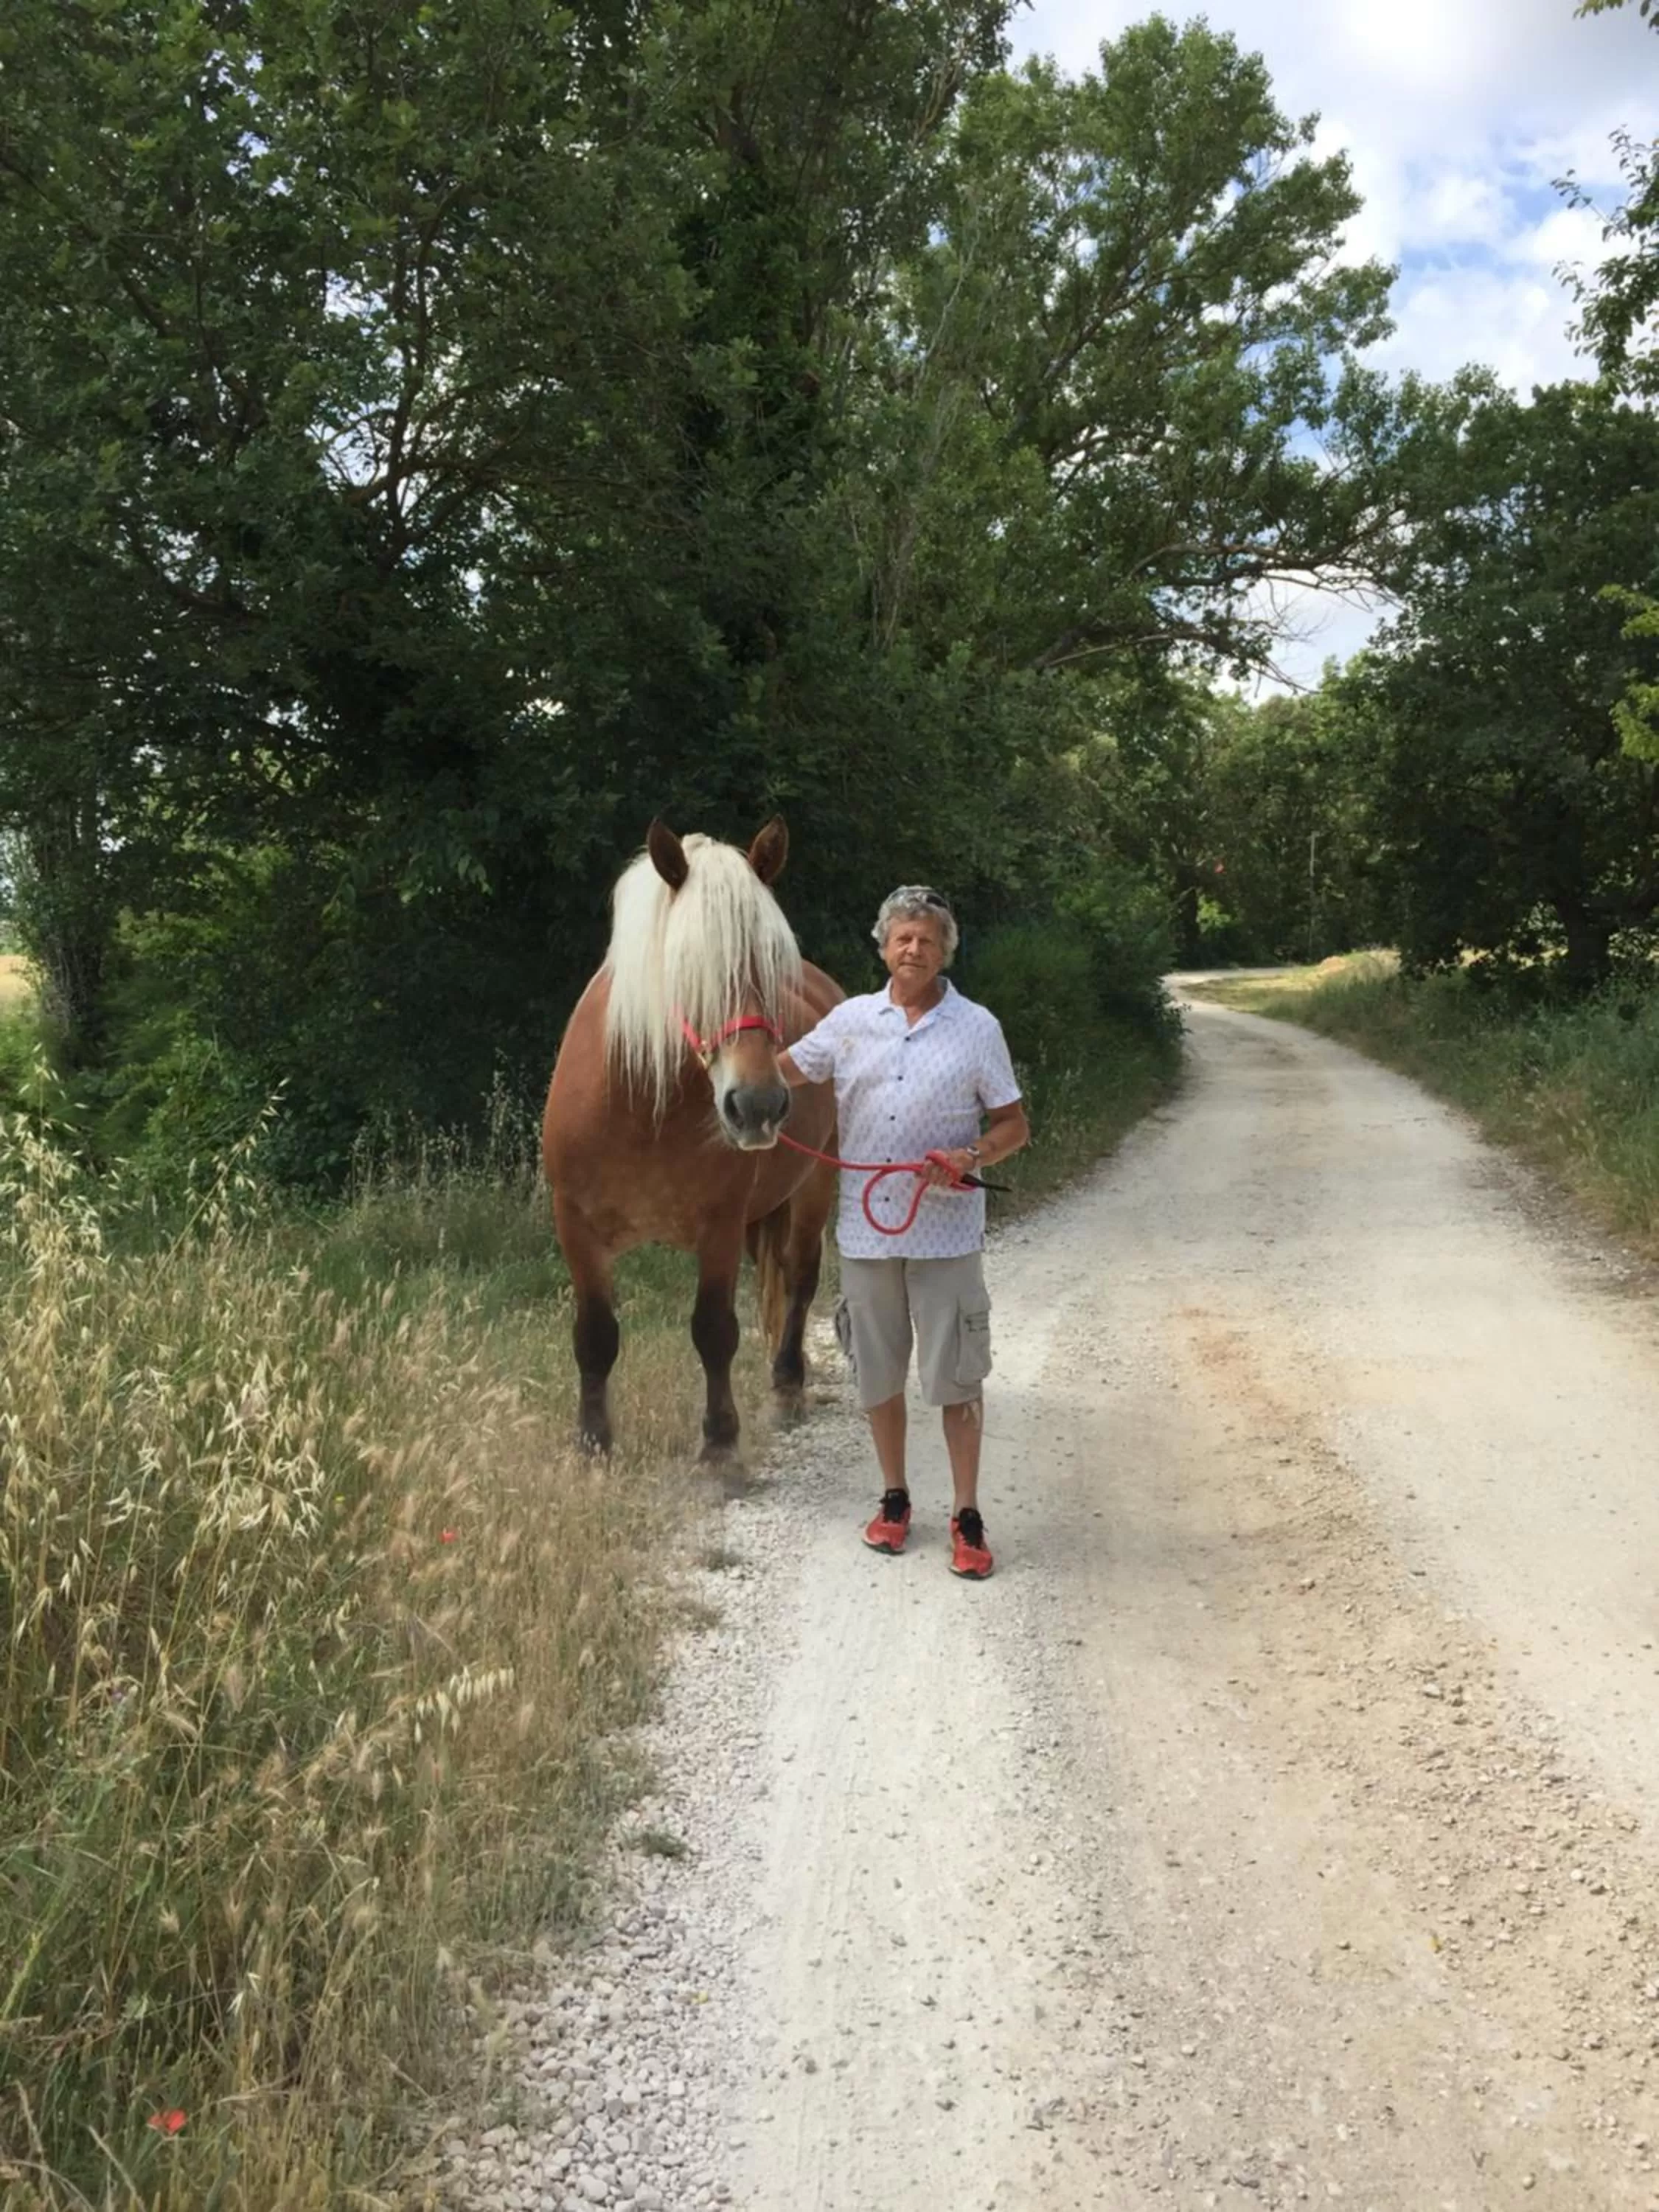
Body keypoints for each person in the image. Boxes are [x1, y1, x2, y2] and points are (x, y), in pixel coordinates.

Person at [779, 886, 1029, 1578]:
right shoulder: (849, 1021)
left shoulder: (977, 1027)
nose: (913, 949)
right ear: (883, 947)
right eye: (902, 938)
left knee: (956, 1377)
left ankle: (967, 1513)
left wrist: (970, 1156)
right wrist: (720, 1067)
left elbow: (1014, 1125)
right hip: (866, 1231)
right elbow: (782, 1073)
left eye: (926, 939)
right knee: (878, 1374)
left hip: (946, 1232)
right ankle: (894, 1500)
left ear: (946, 949)